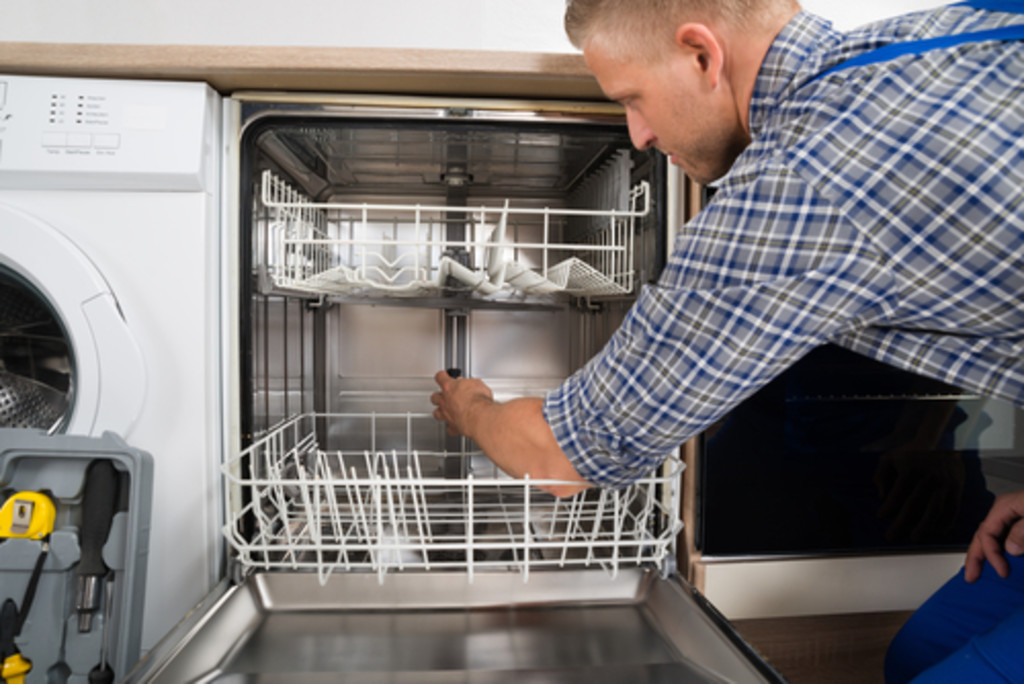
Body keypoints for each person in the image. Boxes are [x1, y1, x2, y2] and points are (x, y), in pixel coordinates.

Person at [429, 0, 1024, 679]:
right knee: (915, 656)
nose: (640, 134)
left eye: (633, 98)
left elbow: (558, 456)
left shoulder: (802, 179)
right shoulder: (947, 31)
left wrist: (470, 407)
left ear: (701, 55)